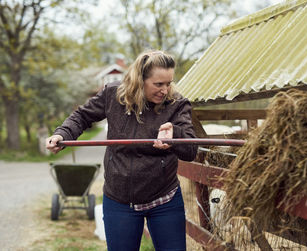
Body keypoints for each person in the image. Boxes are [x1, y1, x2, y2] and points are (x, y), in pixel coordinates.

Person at [46, 50, 198, 251]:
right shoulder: (113, 95)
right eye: (158, 84)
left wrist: (175, 135)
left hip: (164, 198)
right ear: (139, 80)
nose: (165, 90)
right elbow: (82, 116)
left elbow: (191, 150)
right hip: (119, 199)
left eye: (169, 83)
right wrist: (62, 134)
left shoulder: (177, 104)